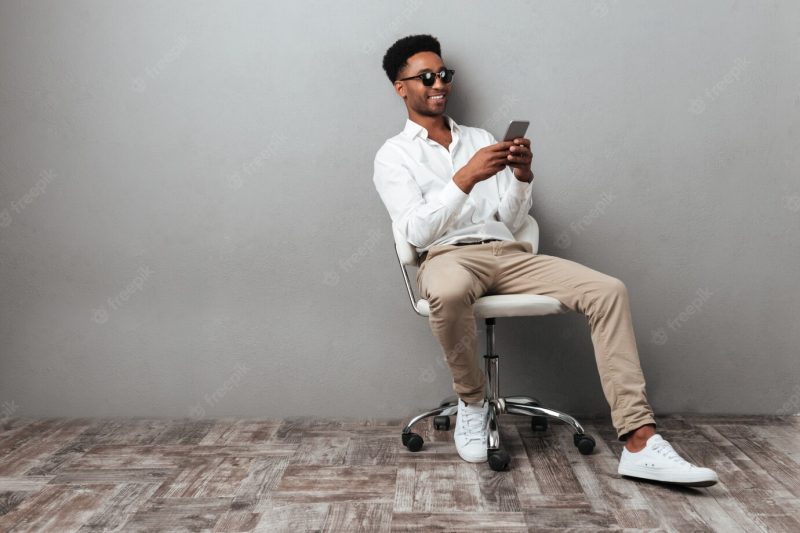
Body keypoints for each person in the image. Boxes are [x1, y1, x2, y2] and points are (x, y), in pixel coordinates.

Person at [372, 34, 718, 487]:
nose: (440, 84)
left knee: (607, 290)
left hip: (505, 252)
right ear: (401, 87)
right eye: (427, 77)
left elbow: (511, 218)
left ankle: (640, 441)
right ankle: (473, 402)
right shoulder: (393, 155)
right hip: (448, 257)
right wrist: (465, 177)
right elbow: (415, 231)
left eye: (444, 74)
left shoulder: (478, 138)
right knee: (447, 289)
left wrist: (521, 176)